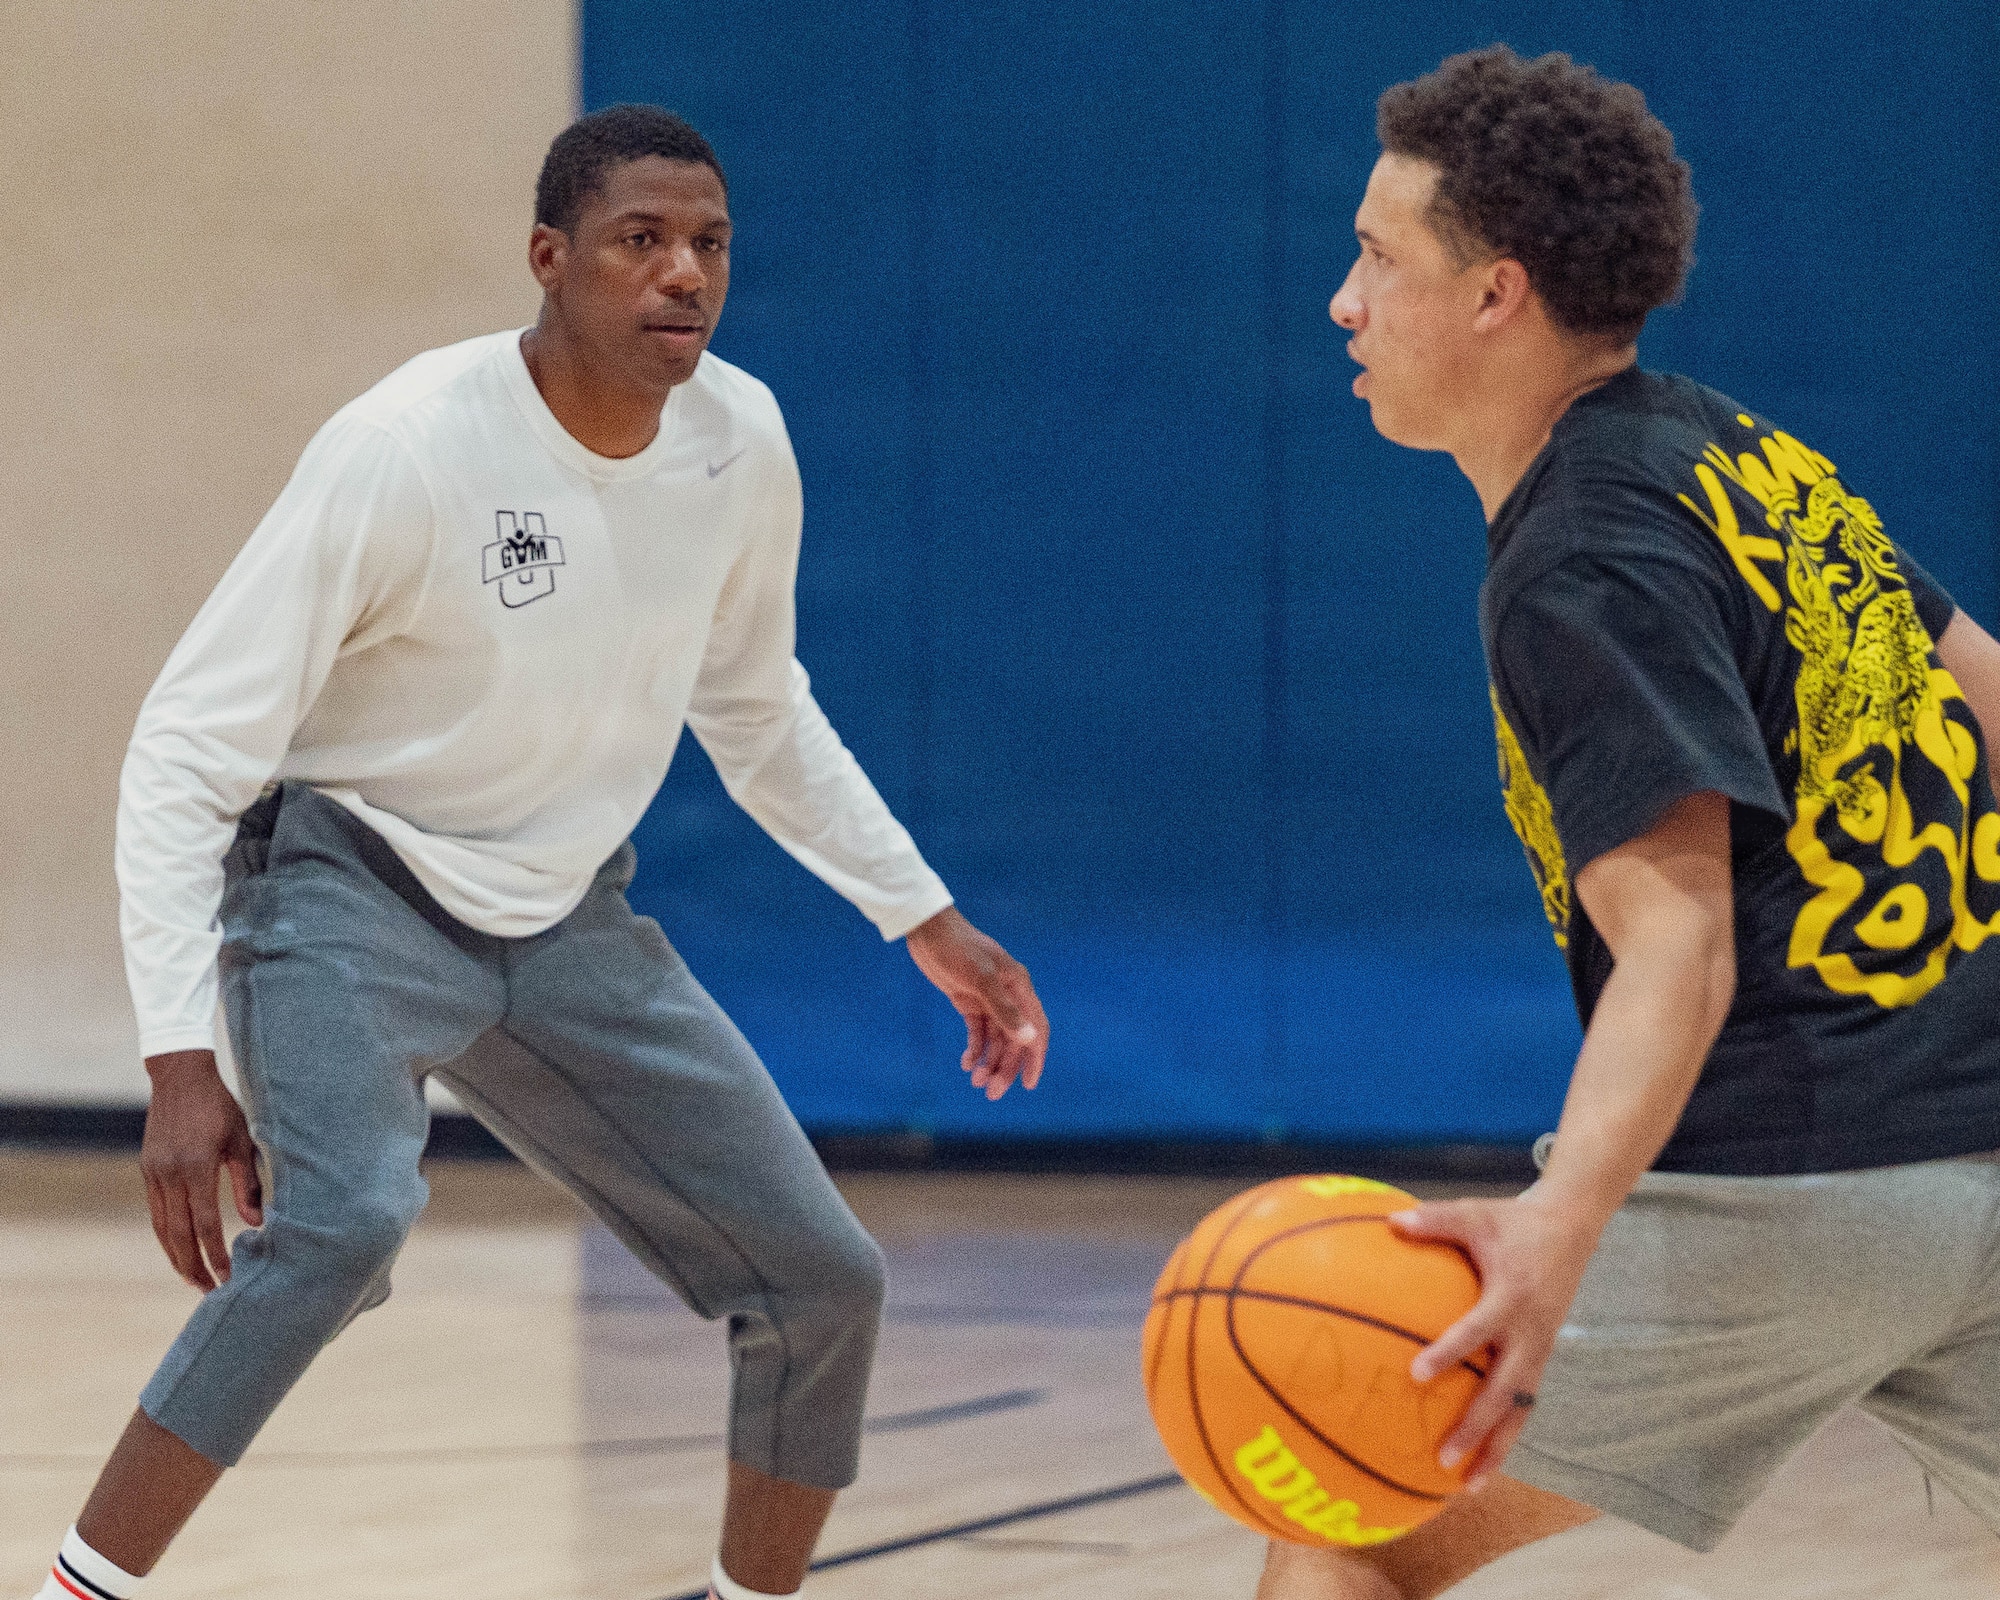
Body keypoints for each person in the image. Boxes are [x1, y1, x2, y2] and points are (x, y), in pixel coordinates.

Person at [28, 104, 1049, 1600]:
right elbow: (186, 749)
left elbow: (758, 706)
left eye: (709, 245)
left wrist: (923, 916)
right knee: (348, 1219)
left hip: (569, 917)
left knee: (823, 1280)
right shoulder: (407, 447)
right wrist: (181, 1061)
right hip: (344, 889)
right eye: (642, 241)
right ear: (550, 259)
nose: (683, 275)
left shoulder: (740, 440)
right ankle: (78, 1588)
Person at [1261, 45, 2000, 1600]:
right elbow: (1992, 690)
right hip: (1983, 1133)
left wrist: (1556, 1226)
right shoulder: (1739, 453)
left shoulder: (1580, 559)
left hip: (1799, 1176)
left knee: (1353, 1535)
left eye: (1380, 258)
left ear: (1494, 294)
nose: (1344, 299)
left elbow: (1678, 946)